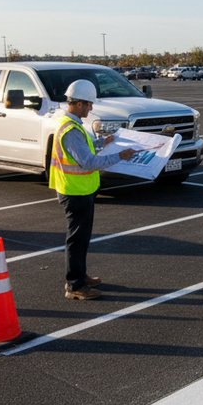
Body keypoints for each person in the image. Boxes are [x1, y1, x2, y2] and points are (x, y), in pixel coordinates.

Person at [50, 79, 137, 301]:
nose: (90, 108)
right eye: (88, 104)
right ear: (78, 104)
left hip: (81, 190)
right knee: (77, 240)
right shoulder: (71, 129)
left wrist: (103, 143)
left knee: (82, 239)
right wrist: (119, 155)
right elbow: (87, 162)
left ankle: (80, 276)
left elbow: (84, 151)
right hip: (75, 192)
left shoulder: (73, 125)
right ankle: (74, 285)